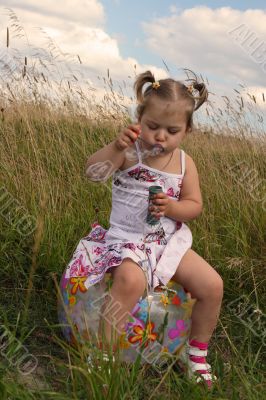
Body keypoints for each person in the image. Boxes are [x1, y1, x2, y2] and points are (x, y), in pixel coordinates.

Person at [62, 70, 223, 389]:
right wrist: (114, 147)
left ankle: (196, 356)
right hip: (126, 242)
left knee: (212, 285)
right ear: (140, 119)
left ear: (186, 132)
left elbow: (194, 204)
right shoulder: (129, 152)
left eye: (172, 130)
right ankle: (104, 355)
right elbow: (93, 173)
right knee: (129, 279)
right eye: (153, 126)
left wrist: (174, 208)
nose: (161, 136)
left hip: (166, 243)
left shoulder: (184, 164)